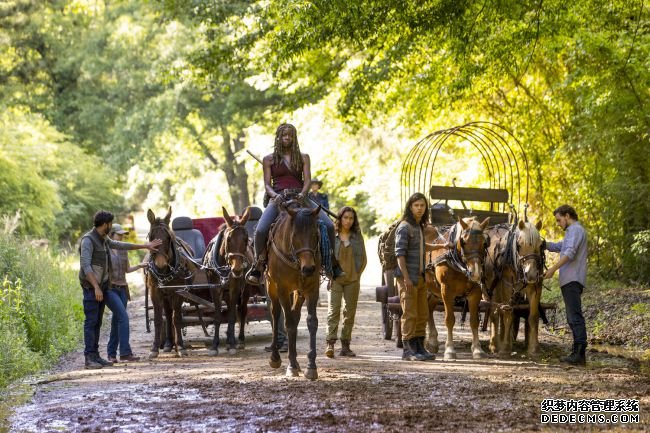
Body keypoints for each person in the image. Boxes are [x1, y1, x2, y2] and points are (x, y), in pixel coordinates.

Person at [246, 123, 343, 285]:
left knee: (329, 225)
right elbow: (267, 185)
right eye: (284, 135)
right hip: (278, 199)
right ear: (278, 137)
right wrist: (274, 195)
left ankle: (331, 261)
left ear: (294, 137)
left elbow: (307, 181)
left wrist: (302, 194)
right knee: (261, 229)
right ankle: (258, 264)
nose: (287, 138)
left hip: (301, 197)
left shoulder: (303, 157)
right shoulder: (268, 159)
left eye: (290, 135)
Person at [79, 210, 161, 369]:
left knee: (97, 322)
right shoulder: (88, 240)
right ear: (105, 224)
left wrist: (145, 246)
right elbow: (85, 265)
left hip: (101, 287)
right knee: (91, 322)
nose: (110, 226)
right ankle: (89, 358)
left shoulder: (103, 239)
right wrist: (96, 286)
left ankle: (96, 356)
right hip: (91, 288)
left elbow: (121, 245)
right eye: (109, 224)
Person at [544, 204, 588, 365]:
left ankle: (579, 354)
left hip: (573, 279)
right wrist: (544, 244)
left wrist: (552, 269)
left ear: (567, 216)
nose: (558, 223)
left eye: (559, 220)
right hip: (569, 279)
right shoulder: (571, 232)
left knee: (574, 316)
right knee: (572, 316)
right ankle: (577, 352)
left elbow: (569, 253)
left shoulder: (576, 230)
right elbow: (560, 246)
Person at [395, 192, 436, 361]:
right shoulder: (404, 227)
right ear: (410, 207)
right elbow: (400, 255)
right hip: (408, 279)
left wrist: (441, 245)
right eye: (416, 205)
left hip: (419, 278)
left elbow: (420, 247)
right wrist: (406, 278)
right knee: (410, 314)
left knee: (422, 314)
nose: (419, 209)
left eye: (422, 206)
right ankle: (408, 350)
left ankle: (420, 347)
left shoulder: (418, 227)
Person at [325, 206, 367, 358]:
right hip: (335, 279)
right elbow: (326, 256)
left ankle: (345, 345)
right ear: (340, 219)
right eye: (345, 217)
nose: (348, 221)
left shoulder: (357, 237)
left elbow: (363, 258)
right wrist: (329, 275)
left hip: (352, 280)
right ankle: (330, 343)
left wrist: (357, 275)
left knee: (349, 313)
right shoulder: (332, 235)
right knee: (333, 311)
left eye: (351, 218)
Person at [106, 224, 147, 363]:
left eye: (122, 234)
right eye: (119, 234)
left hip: (123, 289)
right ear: (111, 235)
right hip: (110, 289)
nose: (121, 236)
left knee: (116, 320)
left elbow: (127, 269)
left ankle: (111, 354)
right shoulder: (105, 250)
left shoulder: (123, 251)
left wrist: (140, 266)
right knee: (123, 317)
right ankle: (125, 353)